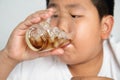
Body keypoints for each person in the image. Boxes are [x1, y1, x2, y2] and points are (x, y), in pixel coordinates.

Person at [0, 0, 120, 80]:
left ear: (105, 27)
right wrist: (8, 57)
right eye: (55, 15)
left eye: (74, 15)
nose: (60, 26)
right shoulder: (27, 66)